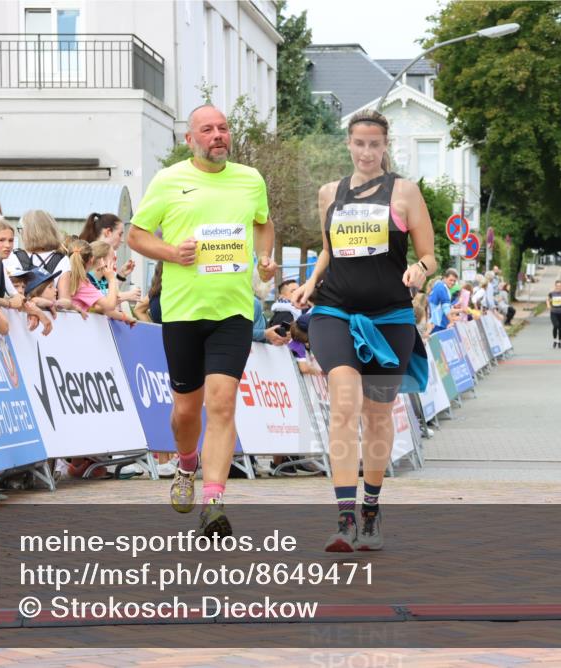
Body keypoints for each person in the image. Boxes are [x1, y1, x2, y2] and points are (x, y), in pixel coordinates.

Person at [128, 104, 276, 537]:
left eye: (223, 128)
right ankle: (186, 464)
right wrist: (172, 253)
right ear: (190, 139)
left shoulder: (251, 180)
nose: (218, 135)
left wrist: (265, 259)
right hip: (183, 311)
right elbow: (137, 234)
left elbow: (264, 225)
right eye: (207, 130)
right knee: (185, 411)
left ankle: (213, 501)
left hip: (233, 310)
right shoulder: (169, 180)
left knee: (222, 402)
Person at [291, 109, 435, 552]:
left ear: (385, 145)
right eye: (359, 143)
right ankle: (344, 518)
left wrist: (418, 270)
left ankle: (371, 510)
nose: (367, 152)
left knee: (376, 416)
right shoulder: (329, 194)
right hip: (335, 311)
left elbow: (430, 256)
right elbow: (329, 251)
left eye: (375, 144)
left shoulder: (406, 193)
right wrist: (310, 284)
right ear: (348, 145)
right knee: (343, 403)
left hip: (390, 318)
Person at [78, 212, 137, 299]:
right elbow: (98, 298)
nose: (122, 240)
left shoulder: (104, 258)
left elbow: (107, 289)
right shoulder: (85, 259)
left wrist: (121, 275)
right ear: (108, 232)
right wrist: (124, 296)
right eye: (120, 234)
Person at [546, 279, 561, 349]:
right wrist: (548, 305)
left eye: (560, 286)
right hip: (553, 312)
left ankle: (559, 341)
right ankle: (554, 340)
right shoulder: (551, 293)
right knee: (556, 325)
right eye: (557, 286)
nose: (558, 287)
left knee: (560, 328)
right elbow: (547, 299)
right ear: (555, 286)